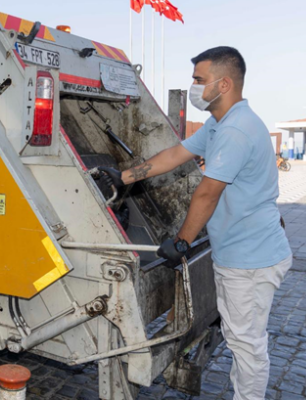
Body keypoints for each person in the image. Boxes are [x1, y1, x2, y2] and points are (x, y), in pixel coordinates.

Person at [98, 46, 291, 400]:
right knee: (241, 337)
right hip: (246, 249)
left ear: (224, 83)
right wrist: (121, 177)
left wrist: (182, 242)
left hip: (250, 258)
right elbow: (174, 155)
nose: (194, 87)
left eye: (199, 80)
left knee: (246, 343)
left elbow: (206, 194)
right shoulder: (222, 125)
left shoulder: (236, 131)